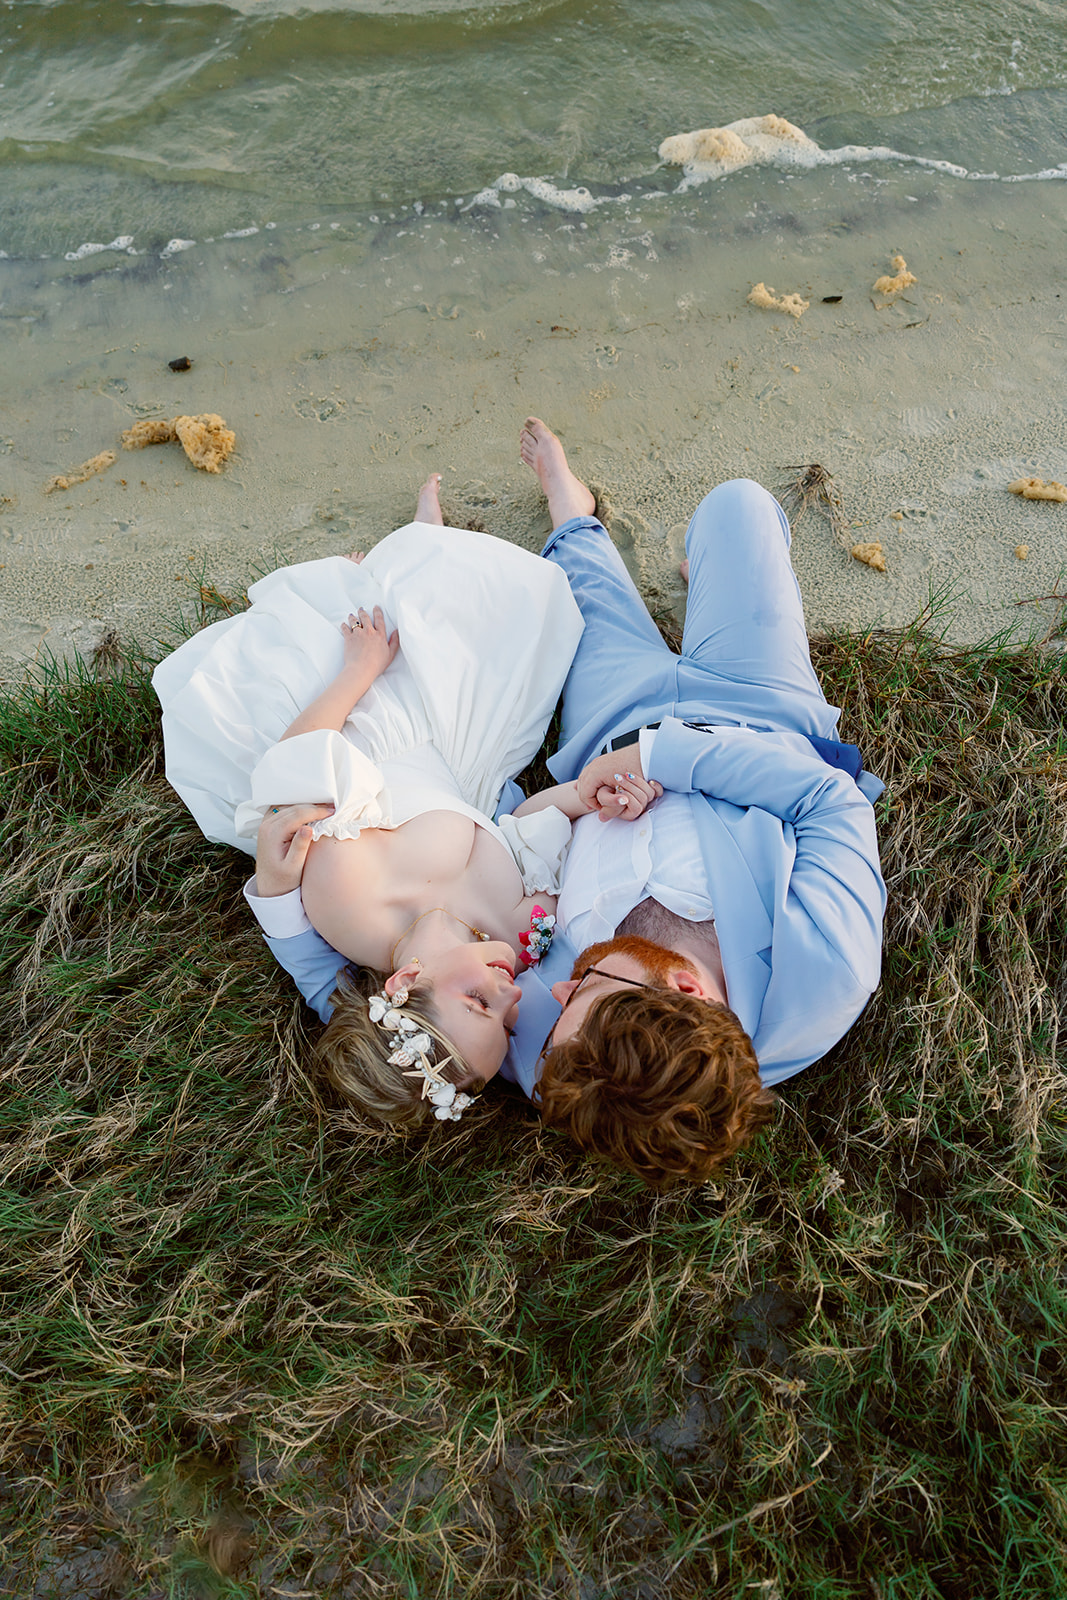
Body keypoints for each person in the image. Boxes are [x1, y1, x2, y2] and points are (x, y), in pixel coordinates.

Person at [252, 422, 887, 1183]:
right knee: (739, 506)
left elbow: (371, 1015)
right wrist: (661, 756)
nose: (546, 993)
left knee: (579, 595)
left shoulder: (544, 1044)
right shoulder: (827, 973)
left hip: (603, 721)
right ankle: (617, 527)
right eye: (577, 992)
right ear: (687, 990)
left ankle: (573, 517)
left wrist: (280, 894)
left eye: (568, 1003)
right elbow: (830, 804)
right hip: (758, 707)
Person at [152, 472, 658, 1129]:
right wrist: (581, 797)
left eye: (481, 1002)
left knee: (376, 623)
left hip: (357, 724)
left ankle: (394, 560)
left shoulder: (349, 901)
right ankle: (417, 543)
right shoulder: (511, 935)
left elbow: (302, 763)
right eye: (507, 1019)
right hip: (455, 748)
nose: (511, 995)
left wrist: (359, 669)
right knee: (508, 608)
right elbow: (517, 833)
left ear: (402, 982)